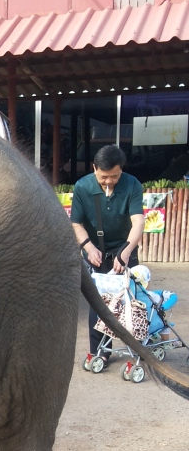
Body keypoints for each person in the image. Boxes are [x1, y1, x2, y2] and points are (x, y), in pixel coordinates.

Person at [70, 144, 145, 366]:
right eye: (104, 176)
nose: (109, 181)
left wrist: (126, 251)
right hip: (95, 250)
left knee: (131, 301)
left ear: (121, 170)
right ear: (94, 168)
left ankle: (135, 351)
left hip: (125, 248)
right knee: (98, 302)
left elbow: (138, 221)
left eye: (114, 176)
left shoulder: (132, 184)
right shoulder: (82, 187)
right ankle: (100, 351)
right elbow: (76, 222)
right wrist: (88, 247)